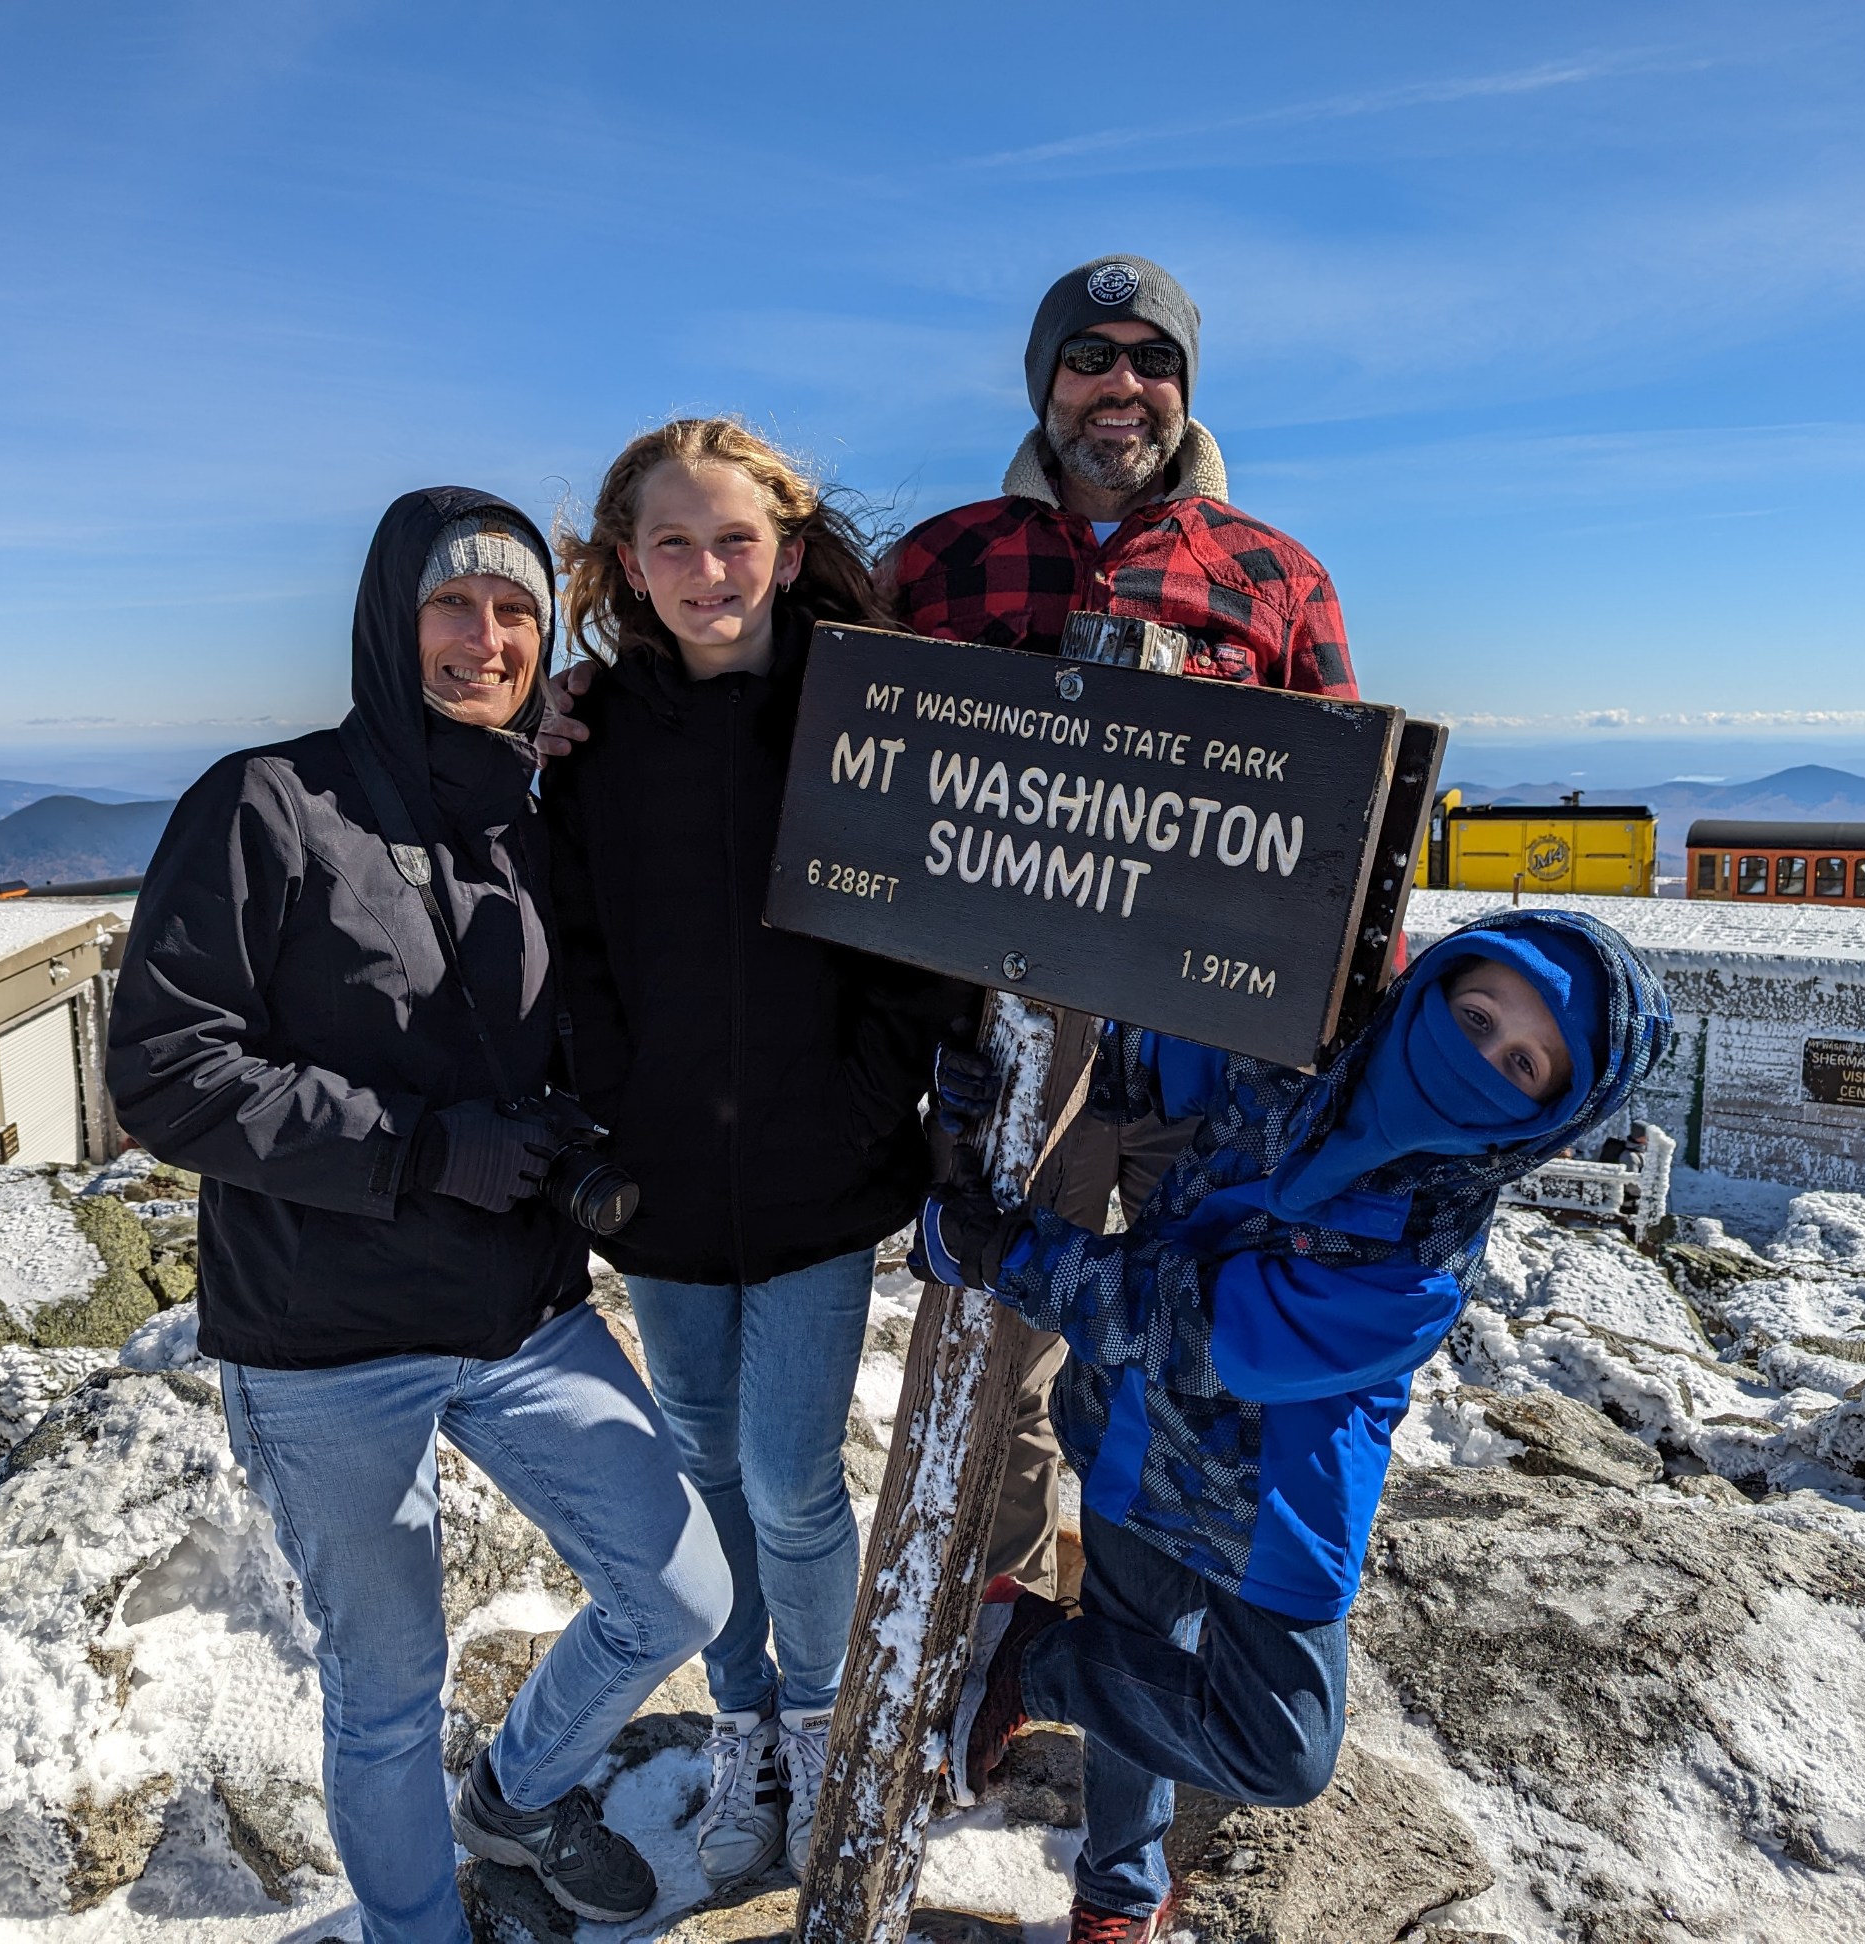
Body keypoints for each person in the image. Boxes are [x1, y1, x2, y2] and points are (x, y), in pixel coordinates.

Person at [107, 489, 731, 1941]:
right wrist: (421, 1149)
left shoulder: (539, 816)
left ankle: (512, 1804)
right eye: (454, 606)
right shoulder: (268, 803)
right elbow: (167, 1071)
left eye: (517, 613)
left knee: (679, 1594)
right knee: (386, 1698)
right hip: (321, 1343)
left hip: (517, 1313)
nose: (486, 637)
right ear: (393, 625)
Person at [907, 909, 1669, 1942]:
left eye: (1522, 1061)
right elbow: (1140, 1059)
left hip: (1273, 1512)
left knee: (1278, 1751)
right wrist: (998, 1080)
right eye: (1475, 1011)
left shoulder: (1421, 1260)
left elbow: (1196, 1327)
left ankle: (1033, 1655)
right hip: (1136, 1439)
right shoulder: (1286, 1053)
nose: (1475, 1055)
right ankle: (1117, 1895)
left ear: (1546, 1115)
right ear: (1432, 983)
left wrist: (1007, 1257)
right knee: (1139, 1670)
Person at [882, 252, 1362, 1600]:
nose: (1121, 386)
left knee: (1184, 1340)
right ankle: (1002, 1618)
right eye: (1090, 356)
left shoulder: (1272, 573)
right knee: (1000, 1343)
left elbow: (1331, 826)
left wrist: (1333, 1039)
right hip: (1009, 1035)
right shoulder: (940, 561)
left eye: (1152, 360)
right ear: (1044, 380)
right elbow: (829, 758)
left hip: (1204, 1044)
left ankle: (1159, 1626)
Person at [546, 420, 969, 1885]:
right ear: (626, 564)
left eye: (734, 539)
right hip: (660, 1185)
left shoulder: (864, 714)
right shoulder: (594, 740)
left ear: (786, 549)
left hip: (816, 1180)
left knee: (791, 1478)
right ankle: (744, 1730)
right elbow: (576, 944)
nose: (707, 568)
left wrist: (853, 1112)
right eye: (672, 542)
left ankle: (825, 1710)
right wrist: (617, 1107)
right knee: (698, 1469)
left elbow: (926, 953)